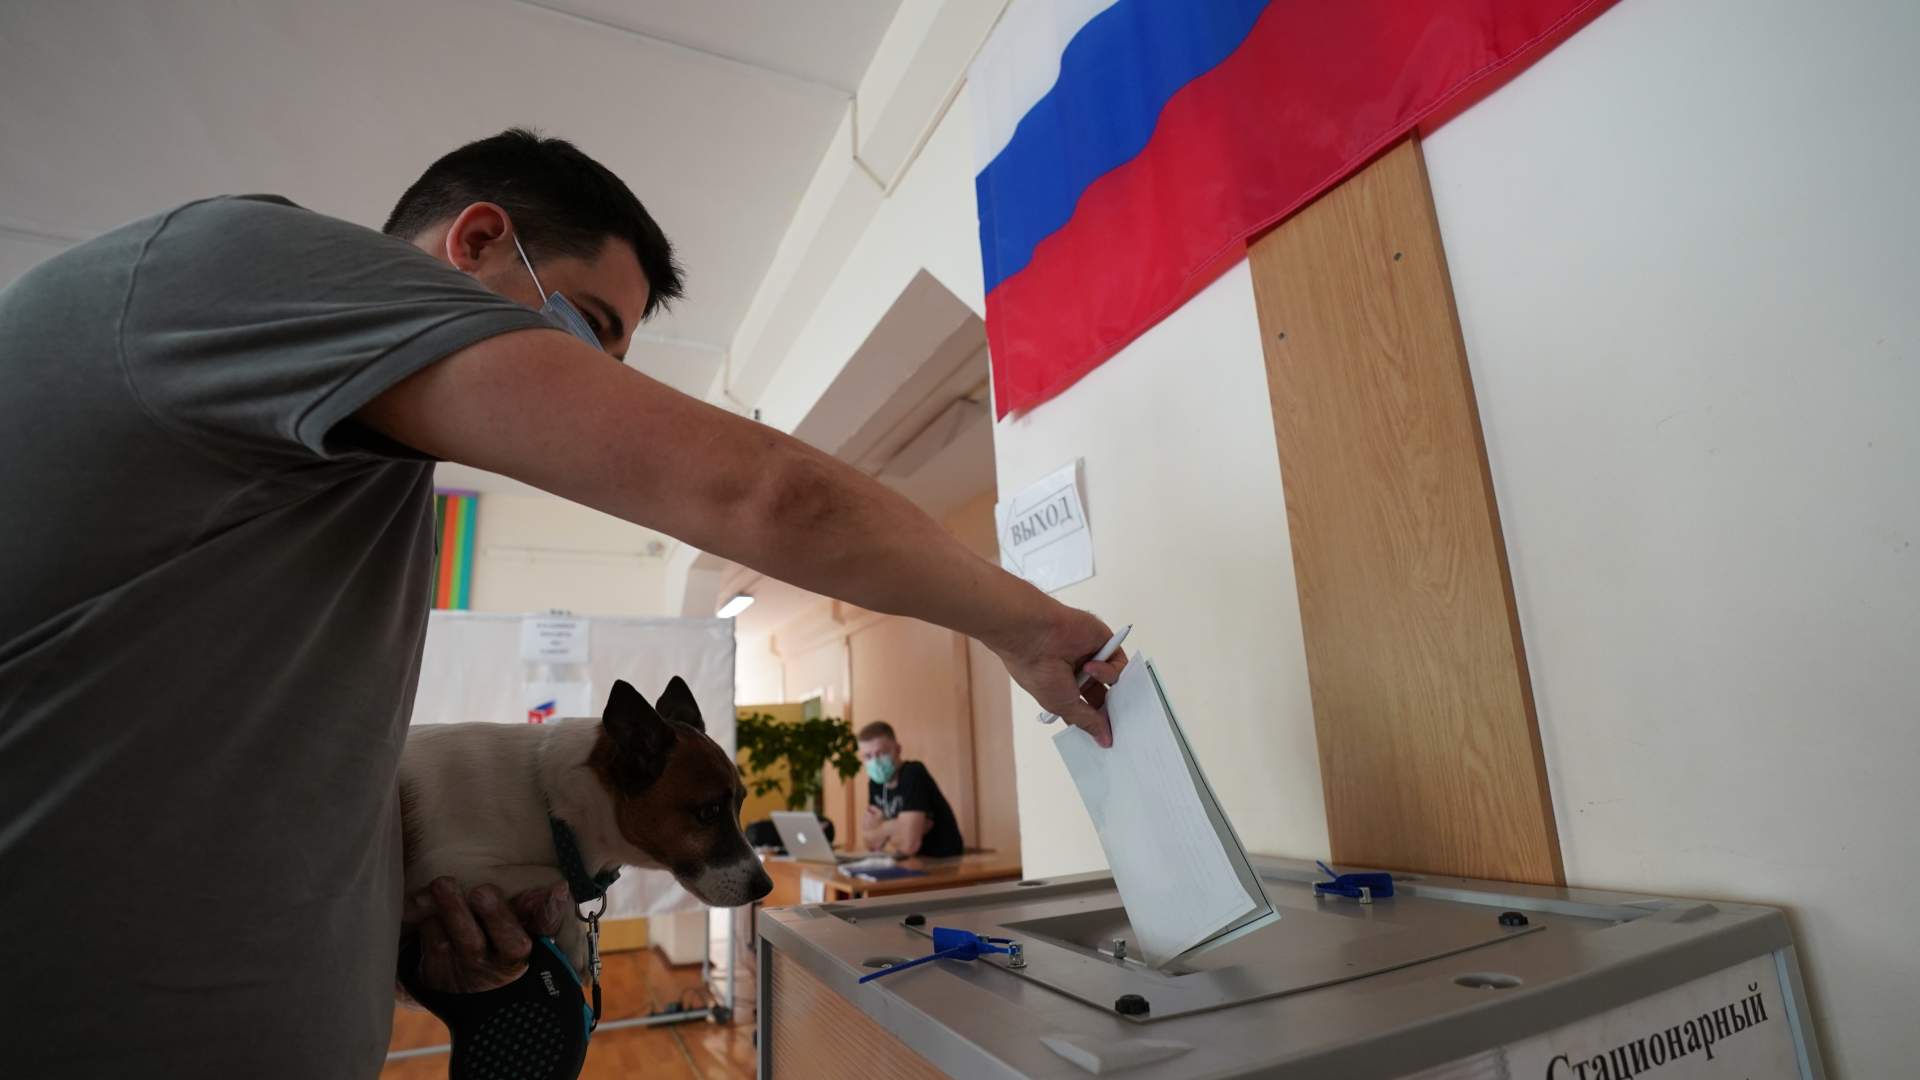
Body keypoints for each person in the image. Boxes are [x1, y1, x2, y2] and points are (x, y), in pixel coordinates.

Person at [0, 128, 1126, 1077]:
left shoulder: (352, 483)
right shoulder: (252, 265)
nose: (593, 382)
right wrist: (1027, 625)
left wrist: (418, 948)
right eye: (586, 327)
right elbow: (765, 493)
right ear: (479, 241)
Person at [856, 722, 964, 858]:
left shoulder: (913, 773)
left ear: (898, 749)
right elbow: (872, 844)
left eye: (881, 753)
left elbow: (910, 844)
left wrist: (884, 827)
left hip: (944, 860)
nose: (875, 762)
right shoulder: (875, 784)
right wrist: (899, 826)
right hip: (912, 860)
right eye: (868, 756)